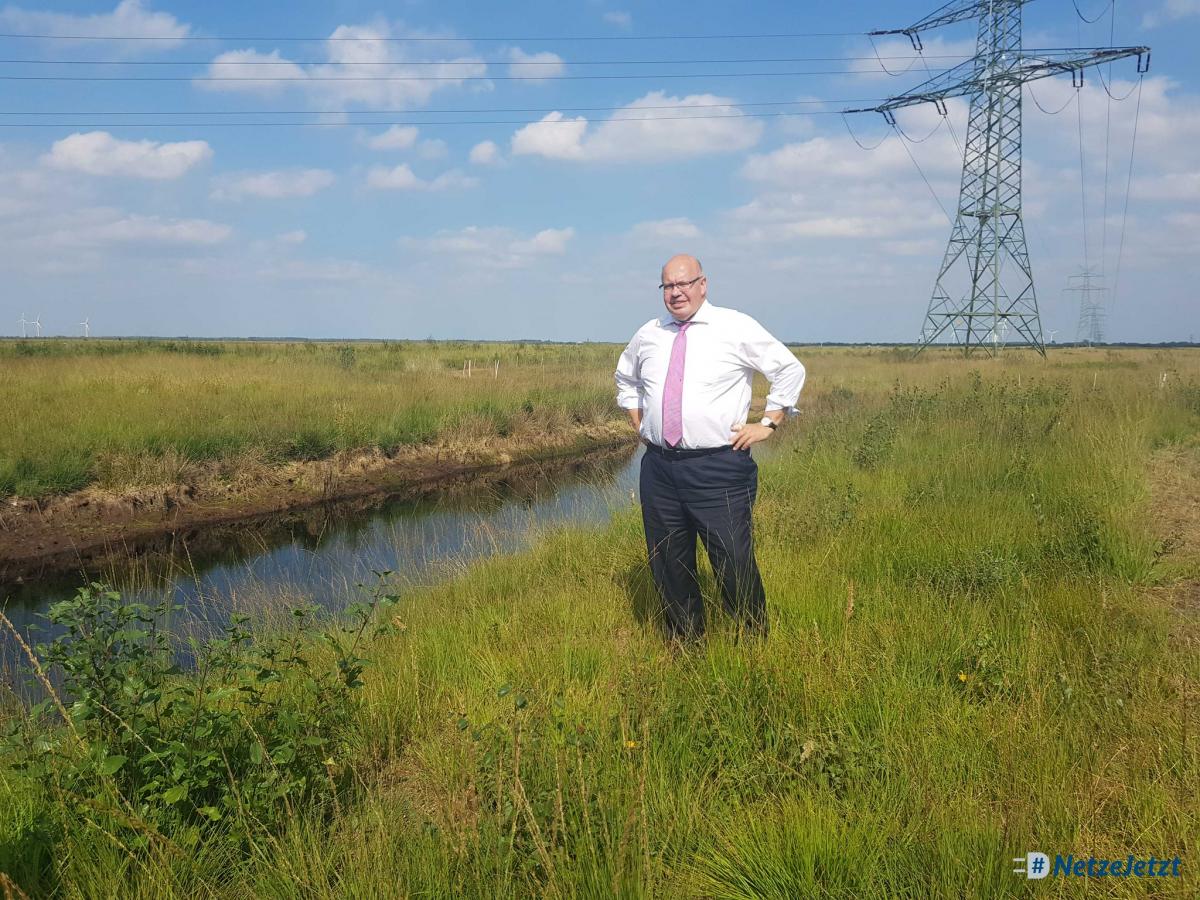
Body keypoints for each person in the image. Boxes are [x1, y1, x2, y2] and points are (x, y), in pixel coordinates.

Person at [614, 254, 805, 642]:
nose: (676, 292)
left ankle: (752, 640)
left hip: (719, 466)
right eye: (668, 285)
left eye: (684, 283)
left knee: (732, 559)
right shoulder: (649, 333)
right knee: (668, 560)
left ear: (703, 284)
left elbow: (788, 369)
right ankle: (686, 643)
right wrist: (639, 421)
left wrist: (768, 423)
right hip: (660, 468)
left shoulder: (733, 326)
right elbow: (625, 378)